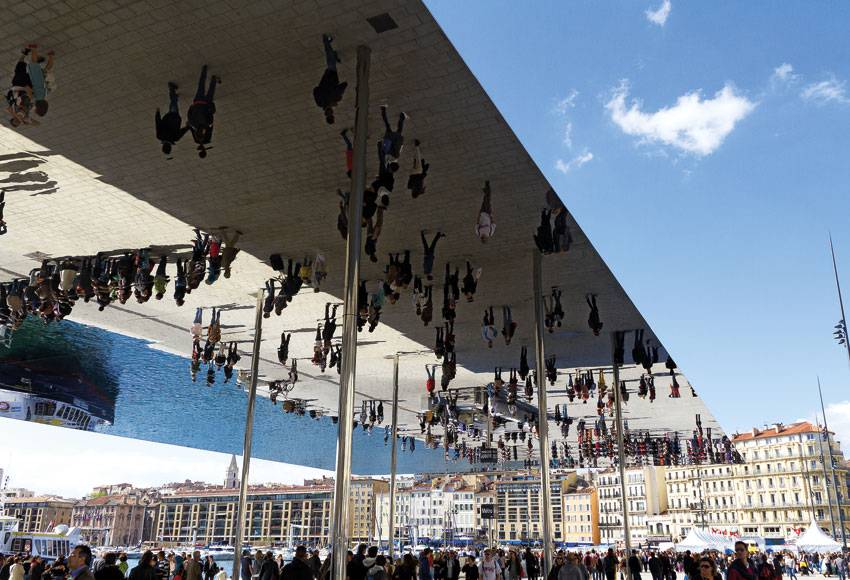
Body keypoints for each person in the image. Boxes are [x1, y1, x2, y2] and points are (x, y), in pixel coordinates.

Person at [187, 65, 220, 158]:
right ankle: (204, 71)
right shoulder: (193, 124)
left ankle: (213, 80)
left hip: (206, 104)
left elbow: (211, 118)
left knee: (210, 92)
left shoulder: (207, 124)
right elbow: (189, 116)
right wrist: (192, 107)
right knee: (201, 85)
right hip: (197, 102)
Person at [313, 34, 346, 124]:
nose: (331, 112)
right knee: (331, 62)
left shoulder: (332, 99)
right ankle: (334, 55)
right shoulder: (320, 103)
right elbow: (315, 90)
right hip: (327, 77)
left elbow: (343, 85)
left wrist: (337, 98)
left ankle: (326, 41)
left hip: (331, 77)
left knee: (330, 60)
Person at [155, 82, 188, 155]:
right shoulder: (159, 136)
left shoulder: (175, 138)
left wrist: (187, 127)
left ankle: (172, 89)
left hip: (175, 118)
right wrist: (157, 114)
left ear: (170, 147)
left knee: (173, 105)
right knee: (173, 106)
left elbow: (182, 132)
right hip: (167, 117)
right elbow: (158, 124)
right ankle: (174, 96)